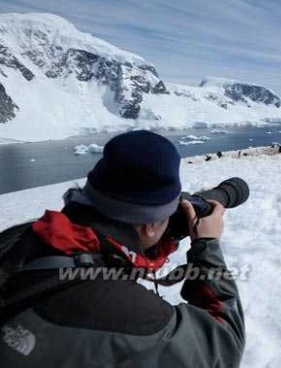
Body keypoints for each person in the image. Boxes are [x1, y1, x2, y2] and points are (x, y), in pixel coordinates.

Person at [0, 131, 245, 367]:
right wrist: (206, 245)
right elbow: (223, 348)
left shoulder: (18, 237)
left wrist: (150, 241)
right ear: (149, 226)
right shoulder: (131, 313)